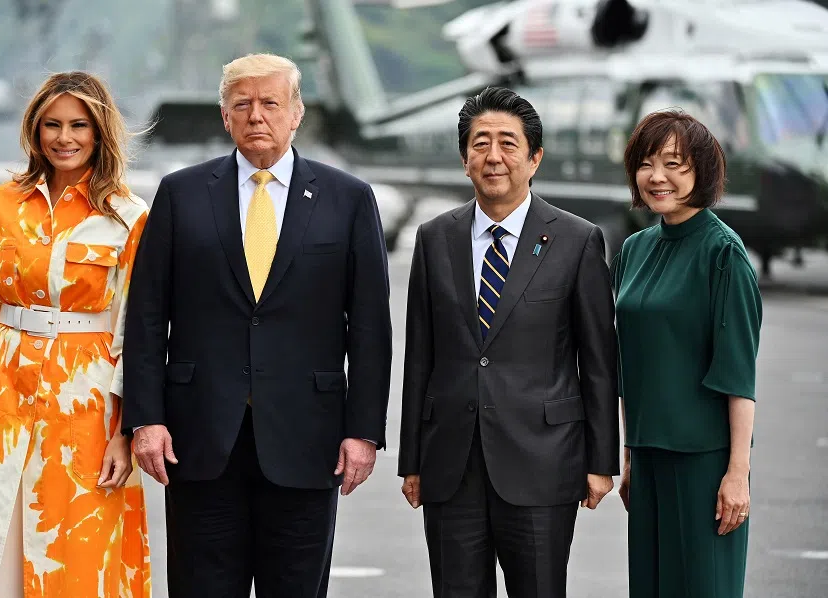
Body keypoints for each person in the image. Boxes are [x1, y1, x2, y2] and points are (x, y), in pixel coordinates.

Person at [121, 53, 393, 598]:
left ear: (297, 114)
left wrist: (363, 432)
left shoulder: (348, 199)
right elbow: (148, 316)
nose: (256, 115)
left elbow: (369, 328)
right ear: (224, 116)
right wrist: (145, 419)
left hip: (306, 439)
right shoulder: (181, 193)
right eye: (241, 104)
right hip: (198, 438)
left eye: (271, 103)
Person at [0, 71, 151, 597]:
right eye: (51, 124)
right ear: (34, 130)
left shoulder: (129, 216)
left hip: (88, 406)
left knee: (75, 551)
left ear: (100, 133)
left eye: (78, 125)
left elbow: (134, 334)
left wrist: (125, 432)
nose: (64, 137)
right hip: (4, 399)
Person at [397, 86, 620, 598]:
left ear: (534, 157)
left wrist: (601, 460)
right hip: (451, 464)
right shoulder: (435, 238)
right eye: (480, 144)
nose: (493, 156)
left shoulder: (577, 239)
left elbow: (600, 362)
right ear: (464, 158)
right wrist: (412, 458)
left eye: (507, 143)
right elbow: (420, 358)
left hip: (545, 460)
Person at [612, 109, 762, 598]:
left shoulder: (724, 253)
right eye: (648, 163)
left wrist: (737, 474)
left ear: (702, 171)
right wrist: (631, 455)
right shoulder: (635, 248)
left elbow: (738, 373)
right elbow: (631, 362)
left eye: (675, 164)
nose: (658, 177)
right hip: (650, 459)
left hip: (705, 462)